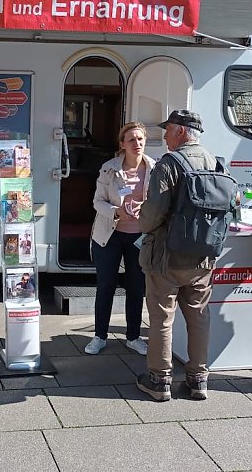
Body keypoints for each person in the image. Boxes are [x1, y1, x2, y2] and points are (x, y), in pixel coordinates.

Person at [136, 110, 220, 402]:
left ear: (181, 131)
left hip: (167, 255)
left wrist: (141, 222)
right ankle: (198, 379)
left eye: (168, 130)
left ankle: (159, 381)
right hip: (202, 257)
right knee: (199, 317)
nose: (165, 136)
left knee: (162, 318)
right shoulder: (214, 162)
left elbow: (153, 213)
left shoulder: (169, 164)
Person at [86, 122, 155, 357]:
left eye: (140, 139)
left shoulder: (155, 168)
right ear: (122, 144)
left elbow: (161, 202)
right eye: (132, 140)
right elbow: (97, 202)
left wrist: (148, 211)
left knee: (136, 287)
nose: (137, 143)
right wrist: (116, 212)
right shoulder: (109, 169)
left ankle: (133, 337)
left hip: (140, 236)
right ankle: (99, 336)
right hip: (109, 235)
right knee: (106, 285)